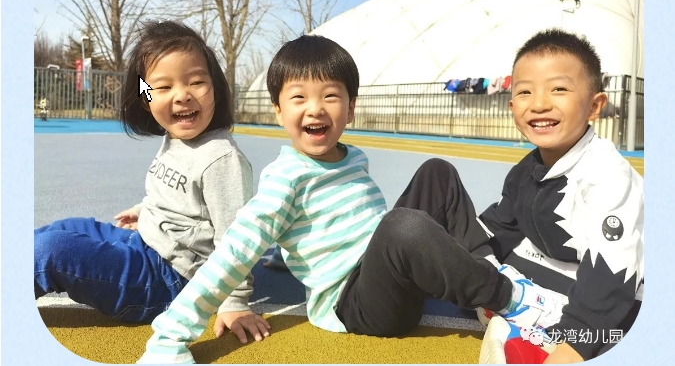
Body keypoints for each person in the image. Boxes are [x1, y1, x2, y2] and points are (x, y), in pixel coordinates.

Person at [137, 34, 544, 364]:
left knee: (437, 172)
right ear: (278, 111)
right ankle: (510, 298)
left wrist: (287, 251)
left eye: (330, 96)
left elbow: (333, 221)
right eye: (298, 98)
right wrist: (170, 336)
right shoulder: (285, 179)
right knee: (402, 226)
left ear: (350, 110)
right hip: (356, 305)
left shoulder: (351, 158)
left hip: (383, 272)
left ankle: (486, 277)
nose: (315, 108)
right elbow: (236, 249)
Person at [34, 21, 270, 344]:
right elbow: (179, 197)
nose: (182, 95)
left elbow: (237, 237)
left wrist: (234, 301)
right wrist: (143, 210)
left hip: (168, 280)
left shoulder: (221, 158)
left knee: (53, 251)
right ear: (146, 97)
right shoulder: (176, 138)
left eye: (197, 82)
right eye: (163, 87)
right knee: (66, 227)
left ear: (214, 86)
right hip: (144, 245)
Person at [475, 28, 644, 363]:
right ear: (512, 106)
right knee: (441, 183)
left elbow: (615, 271)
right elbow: (500, 227)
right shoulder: (527, 170)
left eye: (559, 89)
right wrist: (469, 264)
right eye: (525, 92)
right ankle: (516, 306)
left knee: (616, 323)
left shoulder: (607, 175)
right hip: (559, 274)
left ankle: (539, 331)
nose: (539, 104)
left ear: (595, 106)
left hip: (620, 297)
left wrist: (572, 346)